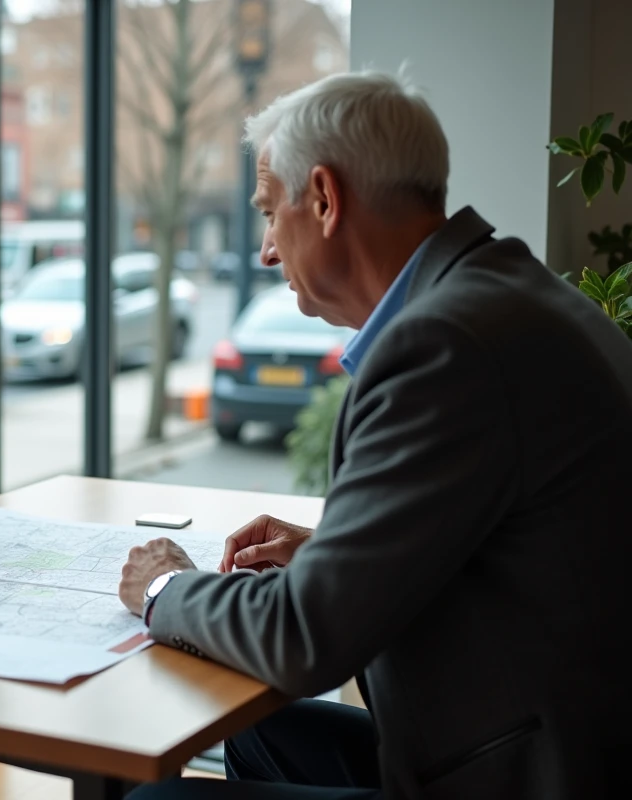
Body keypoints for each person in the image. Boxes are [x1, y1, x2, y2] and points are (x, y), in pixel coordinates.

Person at [118, 69, 631, 800]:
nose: (266, 250)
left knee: (166, 798)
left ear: (324, 199)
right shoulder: (508, 292)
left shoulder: (444, 346)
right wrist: (336, 556)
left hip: (533, 777)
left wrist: (164, 586)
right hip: (554, 736)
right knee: (258, 727)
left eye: (270, 212)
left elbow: (305, 639)